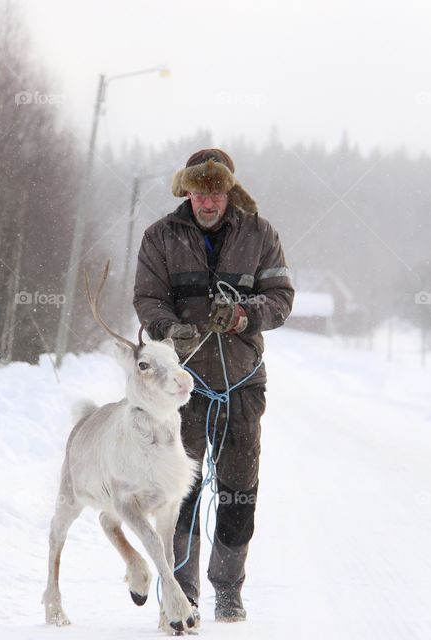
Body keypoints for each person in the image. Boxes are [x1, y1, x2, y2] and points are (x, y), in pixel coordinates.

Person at [133, 148, 294, 623]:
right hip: (179, 389)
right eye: (199, 193)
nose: (208, 202)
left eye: (216, 192)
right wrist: (168, 329)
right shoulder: (159, 237)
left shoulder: (261, 234)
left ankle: (228, 590)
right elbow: (147, 298)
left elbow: (282, 298)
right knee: (180, 490)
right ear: (187, 191)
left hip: (243, 385)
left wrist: (246, 315)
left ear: (229, 191)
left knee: (239, 489)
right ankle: (183, 594)